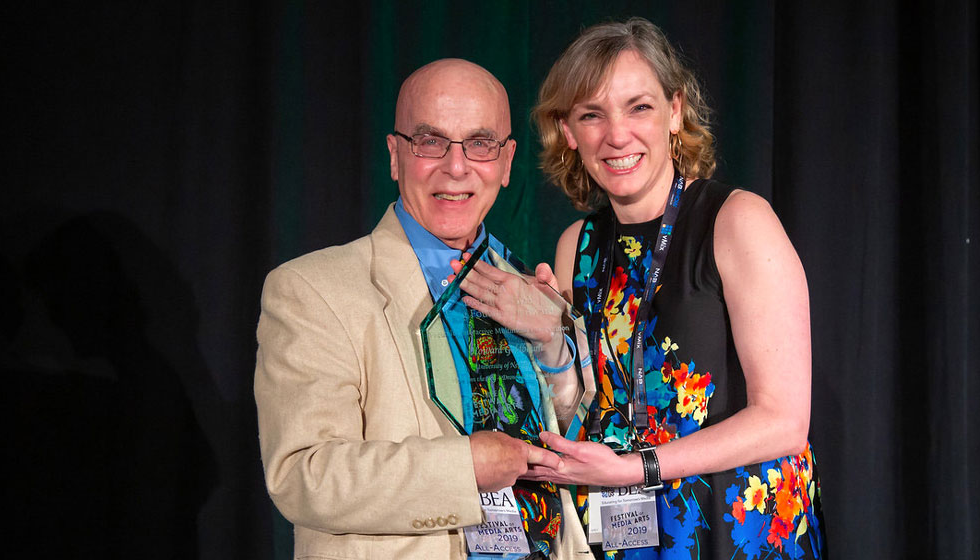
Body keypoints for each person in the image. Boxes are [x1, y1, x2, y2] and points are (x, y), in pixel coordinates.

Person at [254, 59, 593, 559]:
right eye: (430, 141)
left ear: (505, 163)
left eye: (480, 144)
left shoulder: (532, 288)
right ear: (395, 155)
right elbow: (303, 474)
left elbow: (579, 439)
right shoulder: (310, 290)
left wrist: (552, 343)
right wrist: (464, 468)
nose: (456, 167)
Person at [527, 19, 826, 559]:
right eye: (591, 115)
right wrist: (545, 342)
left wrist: (637, 467)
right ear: (568, 132)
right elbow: (584, 409)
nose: (616, 135)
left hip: (739, 534)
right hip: (626, 535)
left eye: (638, 106)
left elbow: (784, 420)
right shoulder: (578, 245)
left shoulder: (738, 220)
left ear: (675, 110)